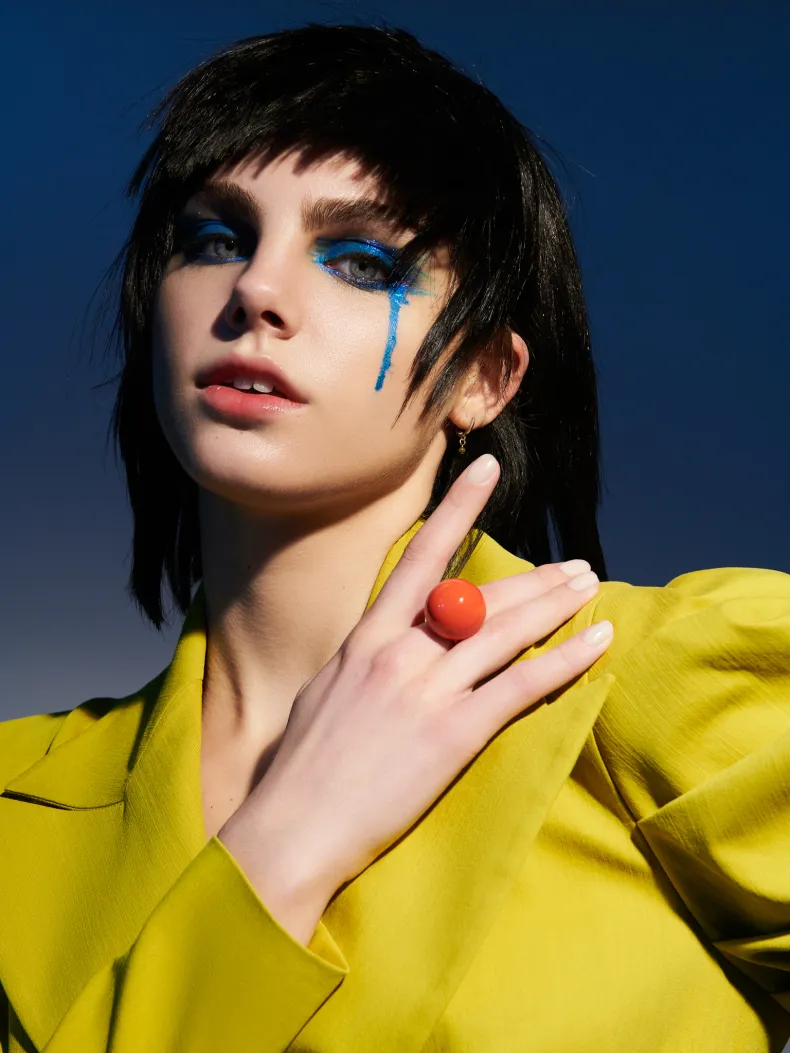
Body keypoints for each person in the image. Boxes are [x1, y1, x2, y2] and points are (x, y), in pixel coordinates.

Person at [0, 22, 788, 1053]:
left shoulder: (661, 683)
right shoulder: (15, 801)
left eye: (362, 261)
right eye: (216, 239)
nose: (255, 292)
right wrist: (282, 849)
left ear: (484, 378)